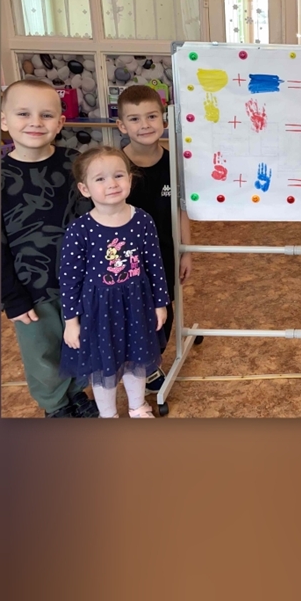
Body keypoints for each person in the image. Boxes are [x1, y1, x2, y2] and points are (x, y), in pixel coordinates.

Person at [0, 79, 98, 418]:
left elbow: (95, 219)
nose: (35, 122)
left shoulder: (76, 165)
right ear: (4, 120)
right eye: (23, 114)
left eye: (46, 115)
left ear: (60, 122)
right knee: (42, 351)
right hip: (31, 287)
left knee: (79, 341)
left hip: (80, 281)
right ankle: (55, 406)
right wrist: (11, 296)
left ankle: (76, 393)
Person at [59, 147, 170, 418]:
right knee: (102, 367)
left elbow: (155, 265)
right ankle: (107, 414)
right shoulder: (80, 230)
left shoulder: (143, 220)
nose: (112, 184)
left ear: (130, 180)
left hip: (137, 305)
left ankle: (137, 405)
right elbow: (69, 279)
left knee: (137, 358)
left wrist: (160, 304)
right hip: (98, 312)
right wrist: (71, 322)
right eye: (100, 179)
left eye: (118, 175)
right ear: (85, 189)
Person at [115, 84, 193, 393]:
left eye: (151, 116)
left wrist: (187, 251)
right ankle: (131, 362)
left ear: (164, 120)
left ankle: (149, 362)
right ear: (122, 125)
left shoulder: (175, 165)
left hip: (165, 253)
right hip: (125, 259)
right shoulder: (115, 167)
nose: (144, 125)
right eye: (134, 119)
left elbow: (181, 210)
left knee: (163, 310)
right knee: (130, 311)